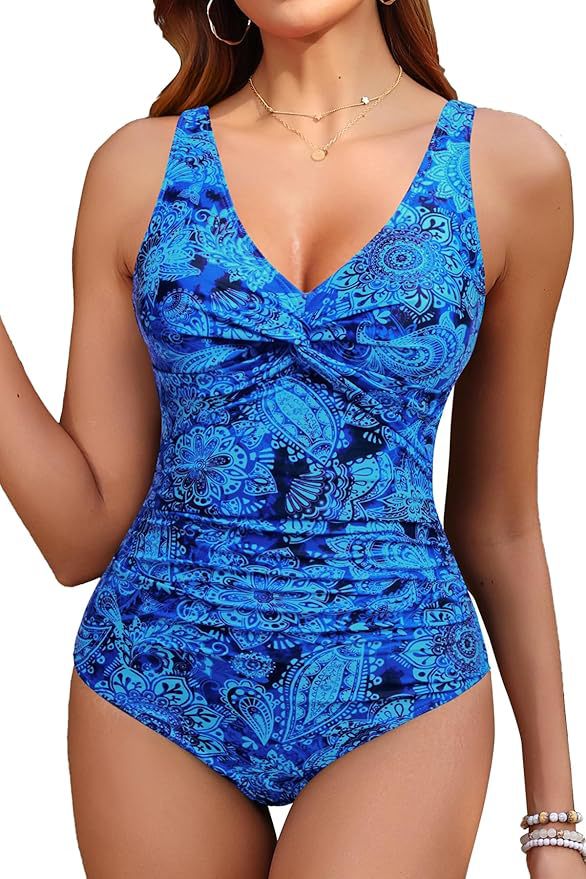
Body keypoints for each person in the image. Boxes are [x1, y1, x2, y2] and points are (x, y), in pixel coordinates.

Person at [0, 1, 582, 876]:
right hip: (152, 678)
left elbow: (499, 522)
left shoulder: (510, 169)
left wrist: (554, 822)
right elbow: (79, 534)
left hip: (400, 679)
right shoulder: (135, 169)